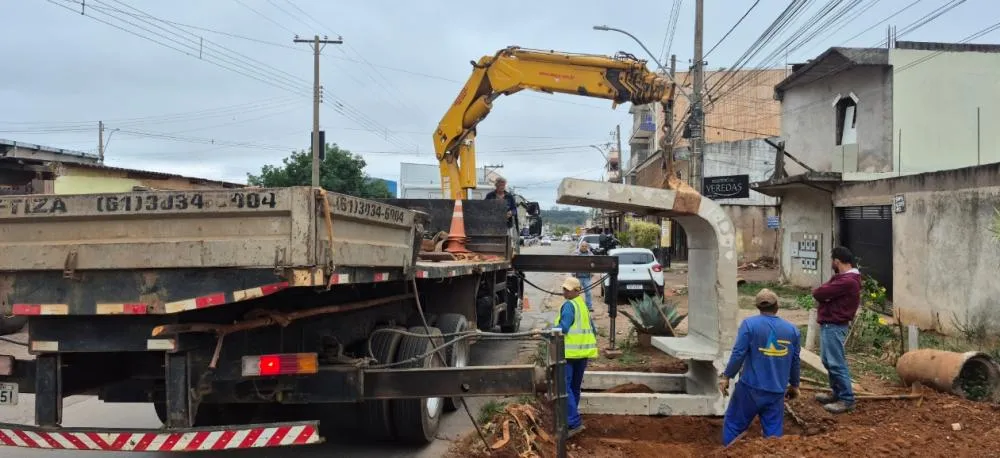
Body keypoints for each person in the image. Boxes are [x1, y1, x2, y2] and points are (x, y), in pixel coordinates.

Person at [719, 288, 801, 446]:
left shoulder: (750, 325)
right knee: (773, 436)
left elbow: (738, 354)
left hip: (750, 389)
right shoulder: (792, 330)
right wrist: (795, 385)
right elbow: (795, 360)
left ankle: (729, 452)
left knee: (734, 425)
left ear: (758, 307)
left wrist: (727, 376)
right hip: (776, 391)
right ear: (777, 306)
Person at [811, 246, 862, 414]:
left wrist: (824, 294)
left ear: (837, 261)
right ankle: (837, 393)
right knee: (827, 361)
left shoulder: (847, 281)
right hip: (830, 325)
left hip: (834, 325)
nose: (832, 264)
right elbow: (825, 292)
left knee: (836, 363)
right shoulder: (843, 279)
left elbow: (819, 292)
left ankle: (847, 399)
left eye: (832, 261)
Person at [553, 276, 598, 438]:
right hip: (583, 353)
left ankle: (572, 422)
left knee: (565, 388)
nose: (564, 291)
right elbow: (593, 328)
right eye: (564, 288)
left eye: (567, 289)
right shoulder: (582, 305)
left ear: (576, 291)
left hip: (569, 353)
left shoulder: (569, 306)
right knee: (574, 387)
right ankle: (571, 418)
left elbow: (563, 328)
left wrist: (548, 331)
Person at [572, 242, 595, 312]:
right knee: (576, 293)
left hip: (587, 277)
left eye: (585, 246)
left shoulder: (590, 254)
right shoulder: (576, 253)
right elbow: (571, 263)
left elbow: (594, 263)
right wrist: (573, 273)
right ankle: (575, 306)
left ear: (587, 247)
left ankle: (589, 306)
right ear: (580, 246)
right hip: (578, 277)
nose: (584, 247)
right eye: (582, 246)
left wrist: (593, 271)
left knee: (588, 292)